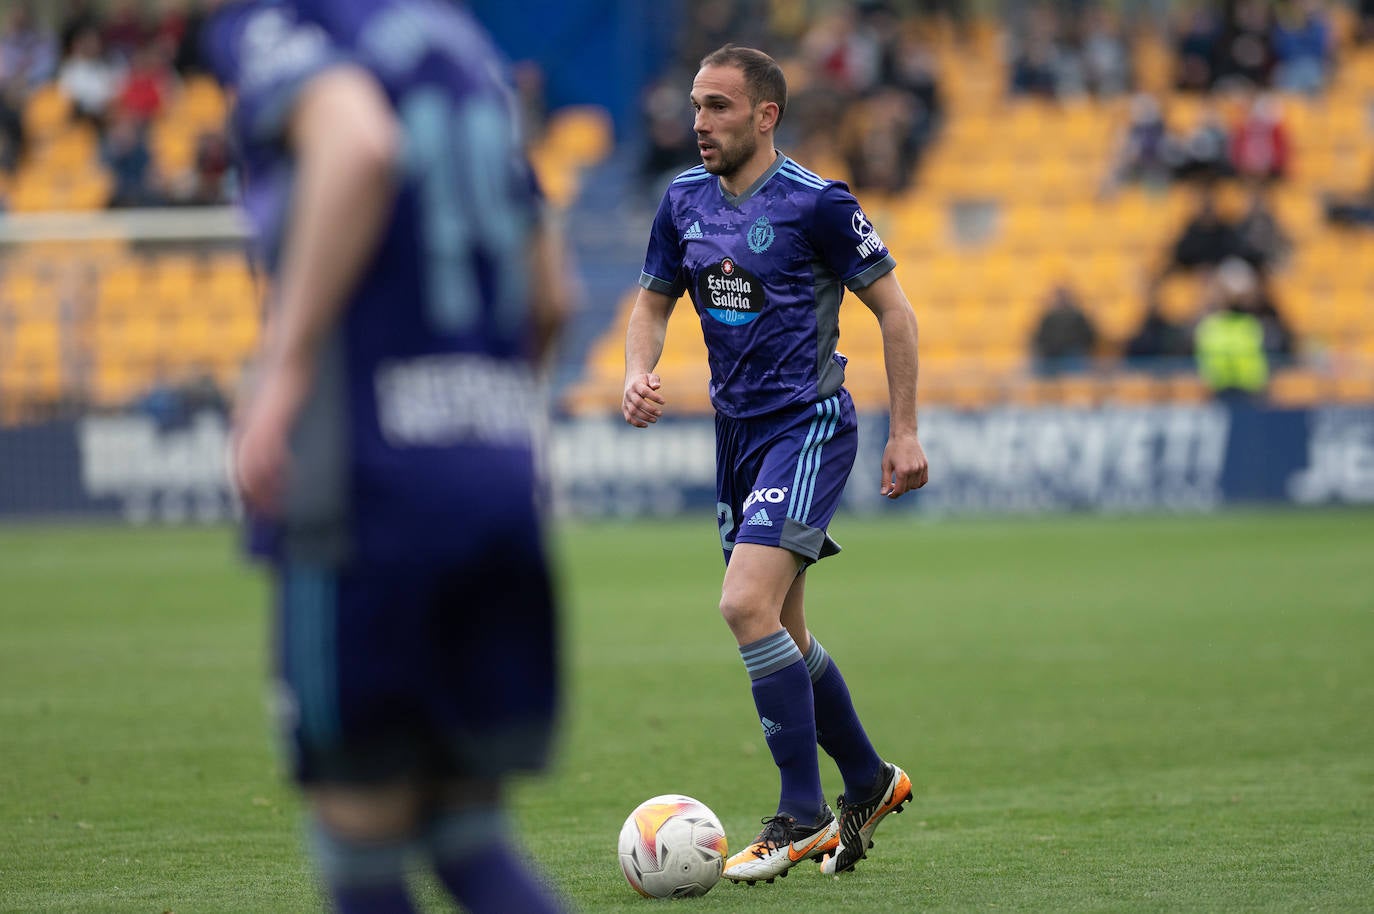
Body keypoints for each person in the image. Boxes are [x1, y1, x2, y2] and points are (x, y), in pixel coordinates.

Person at [204, 2, 571, 912]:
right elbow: (553, 292)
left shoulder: (284, 24)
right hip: (491, 474)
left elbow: (358, 143)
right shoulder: (462, 45)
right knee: (468, 839)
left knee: (360, 848)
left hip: (368, 486)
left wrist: (281, 372)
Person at [622, 44, 928, 885]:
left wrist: (905, 430)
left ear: (765, 116)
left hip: (809, 424)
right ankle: (867, 781)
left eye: (719, 107)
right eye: (695, 105)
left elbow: (894, 313)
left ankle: (802, 816)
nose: (699, 123)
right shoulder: (680, 201)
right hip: (736, 437)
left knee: (742, 604)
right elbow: (650, 303)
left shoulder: (817, 204)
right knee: (783, 632)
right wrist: (635, 370)